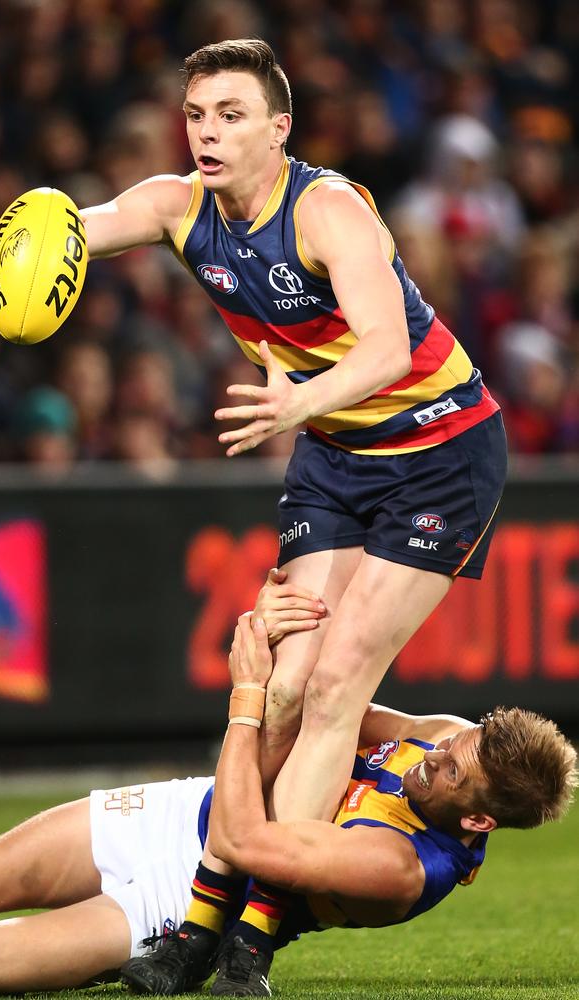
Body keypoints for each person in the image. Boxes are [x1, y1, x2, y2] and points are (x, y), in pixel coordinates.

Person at [79, 37, 508, 987]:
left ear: (280, 129)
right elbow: (88, 225)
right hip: (336, 453)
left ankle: (247, 938)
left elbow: (390, 348)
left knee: (335, 685)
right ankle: (203, 926)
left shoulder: (329, 208)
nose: (206, 133)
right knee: (283, 684)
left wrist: (298, 405)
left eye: (231, 115)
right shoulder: (176, 207)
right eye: (196, 114)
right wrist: (31, 238)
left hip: (439, 455)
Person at [0, 608, 575, 997]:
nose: (433, 753)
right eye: (456, 742)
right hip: (185, 811)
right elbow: (324, 709)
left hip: (193, 897)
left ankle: (117, 953)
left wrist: (247, 697)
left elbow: (240, 844)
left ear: (477, 820)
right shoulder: (443, 737)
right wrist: (277, 626)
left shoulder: (399, 869)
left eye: (451, 771)